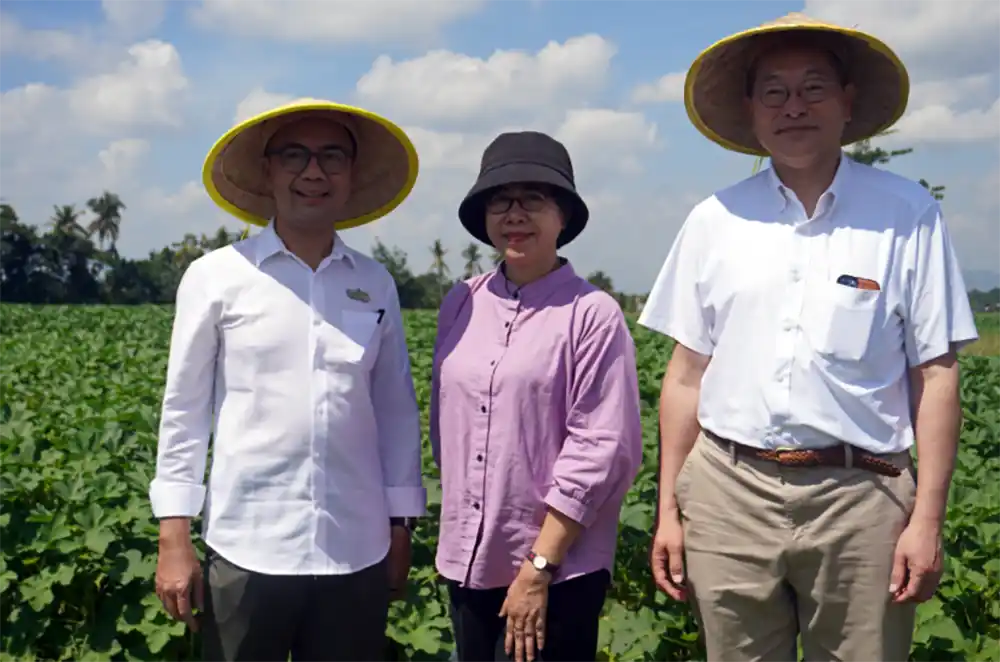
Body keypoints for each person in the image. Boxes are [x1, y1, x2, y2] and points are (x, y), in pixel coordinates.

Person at [640, 13, 979, 662]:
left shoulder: (907, 214)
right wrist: (670, 509)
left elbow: (936, 374)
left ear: (848, 103)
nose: (793, 106)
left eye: (813, 88)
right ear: (750, 109)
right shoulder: (714, 220)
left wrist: (927, 519)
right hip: (728, 489)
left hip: (863, 499)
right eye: (774, 91)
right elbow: (684, 377)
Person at [149, 98, 426, 662]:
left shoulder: (375, 283)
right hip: (248, 545)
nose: (314, 172)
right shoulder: (216, 278)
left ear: (350, 175)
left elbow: (395, 409)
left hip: (358, 546)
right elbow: (184, 411)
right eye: (295, 155)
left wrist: (402, 526)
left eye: (331, 157)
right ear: (268, 171)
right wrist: (173, 535)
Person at [429, 130, 644, 662]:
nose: (515, 213)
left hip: (556, 570)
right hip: (470, 560)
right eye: (500, 200)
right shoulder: (461, 303)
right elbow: (444, 426)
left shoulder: (591, 314)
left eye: (534, 199)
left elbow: (602, 448)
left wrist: (539, 567)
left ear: (563, 216)